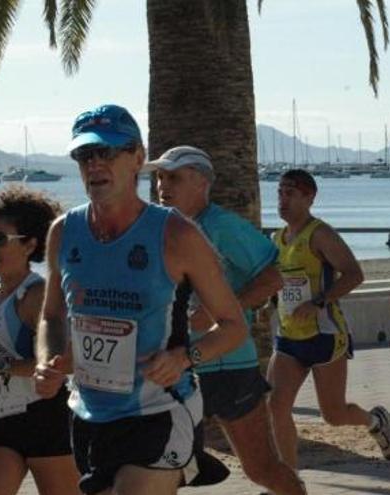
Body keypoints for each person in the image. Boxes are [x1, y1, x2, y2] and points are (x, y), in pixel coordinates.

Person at [33, 104, 247, 495]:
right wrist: (47, 359)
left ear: (137, 158)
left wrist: (184, 358)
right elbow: (51, 315)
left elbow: (234, 326)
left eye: (108, 152)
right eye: (85, 155)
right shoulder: (64, 232)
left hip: (160, 410)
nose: (95, 164)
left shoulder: (176, 234)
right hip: (88, 413)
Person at [151, 145, 305, 494]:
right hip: (176, 366)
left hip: (228, 366)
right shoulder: (165, 229)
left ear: (201, 182)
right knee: (157, 464)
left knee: (261, 468)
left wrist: (224, 310)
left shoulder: (221, 226)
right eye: (159, 177)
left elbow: (273, 278)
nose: (162, 185)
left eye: (173, 177)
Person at [269, 168, 390, 471]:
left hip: (325, 336)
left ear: (309, 197)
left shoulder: (320, 234)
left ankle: (375, 421)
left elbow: (355, 274)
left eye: (290, 193)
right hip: (289, 337)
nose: (282, 199)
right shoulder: (278, 238)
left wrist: (318, 302)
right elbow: (282, 282)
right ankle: (289, 484)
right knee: (275, 407)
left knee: (333, 414)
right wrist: (270, 301)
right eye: (279, 192)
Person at [0, 186, 80, 494]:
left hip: (44, 418)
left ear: (30, 245)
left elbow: (63, 362)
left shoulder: (35, 295)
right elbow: (10, 363)